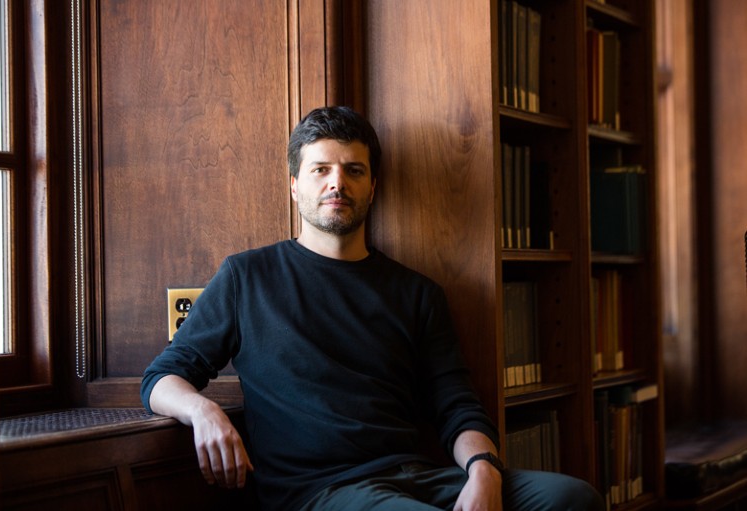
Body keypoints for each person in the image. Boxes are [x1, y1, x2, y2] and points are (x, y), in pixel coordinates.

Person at [141, 106, 604, 511]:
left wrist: (485, 470)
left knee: (572, 498)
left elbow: (456, 405)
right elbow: (161, 378)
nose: (337, 183)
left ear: (373, 186)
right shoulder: (247, 277)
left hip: (418, 479)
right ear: (294, 186)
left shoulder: (418, 293)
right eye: (320, 169)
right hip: (321, 493)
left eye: (353, 170)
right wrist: (205, 412)